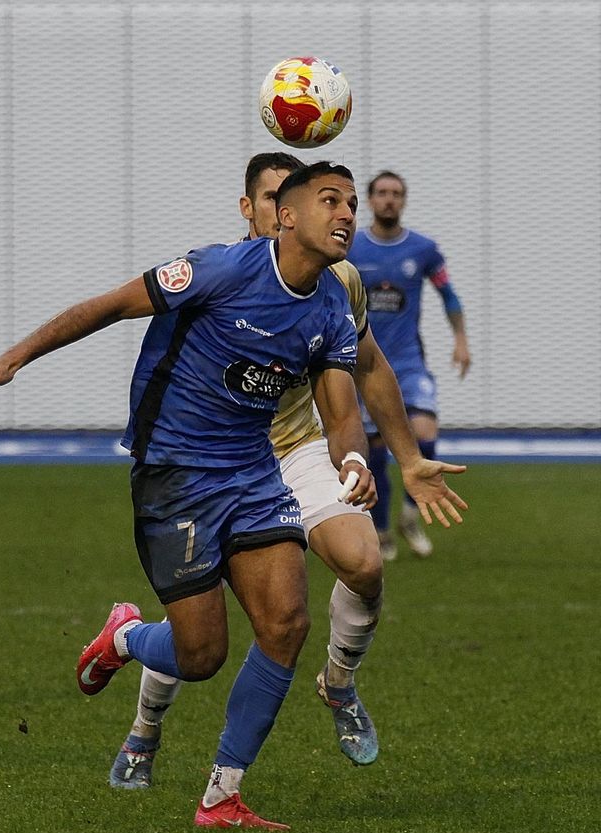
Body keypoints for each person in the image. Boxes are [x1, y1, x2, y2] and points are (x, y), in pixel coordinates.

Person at [0, 162, 374, 832]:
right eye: (330, 200)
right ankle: (126, 636)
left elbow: (342, 410)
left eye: (351, 202)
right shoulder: (221, 269)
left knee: (287, 624)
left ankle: (222, 797)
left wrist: (353, 459)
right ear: (286, 216)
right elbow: (111, 305)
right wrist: (13, 357)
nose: (346, 213)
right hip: (176, 472)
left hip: (254, 474)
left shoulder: (331, 310)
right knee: (201, 655)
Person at [108, 153, 469, 791]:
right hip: (209, 461)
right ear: (251, 208)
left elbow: (368, 368)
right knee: (198, 625)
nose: (286, 211)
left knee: (364, 564)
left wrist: (402, 458)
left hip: (296, 451)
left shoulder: (337, 278)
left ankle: (338, 683)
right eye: (272, 199)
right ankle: (144, 729)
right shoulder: (220, 271)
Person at [347, 171, 472, 560]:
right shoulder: (351, 247)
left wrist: (461, 340)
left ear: (403, 200)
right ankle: (382, 529)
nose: (389, 199)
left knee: (425, 431)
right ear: (369, 200)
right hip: (364, 365)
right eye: (382, 193)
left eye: (396, 193)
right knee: (375, 451)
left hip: (408, 361)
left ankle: (410, 515)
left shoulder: (423, 249)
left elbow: (449, 295)